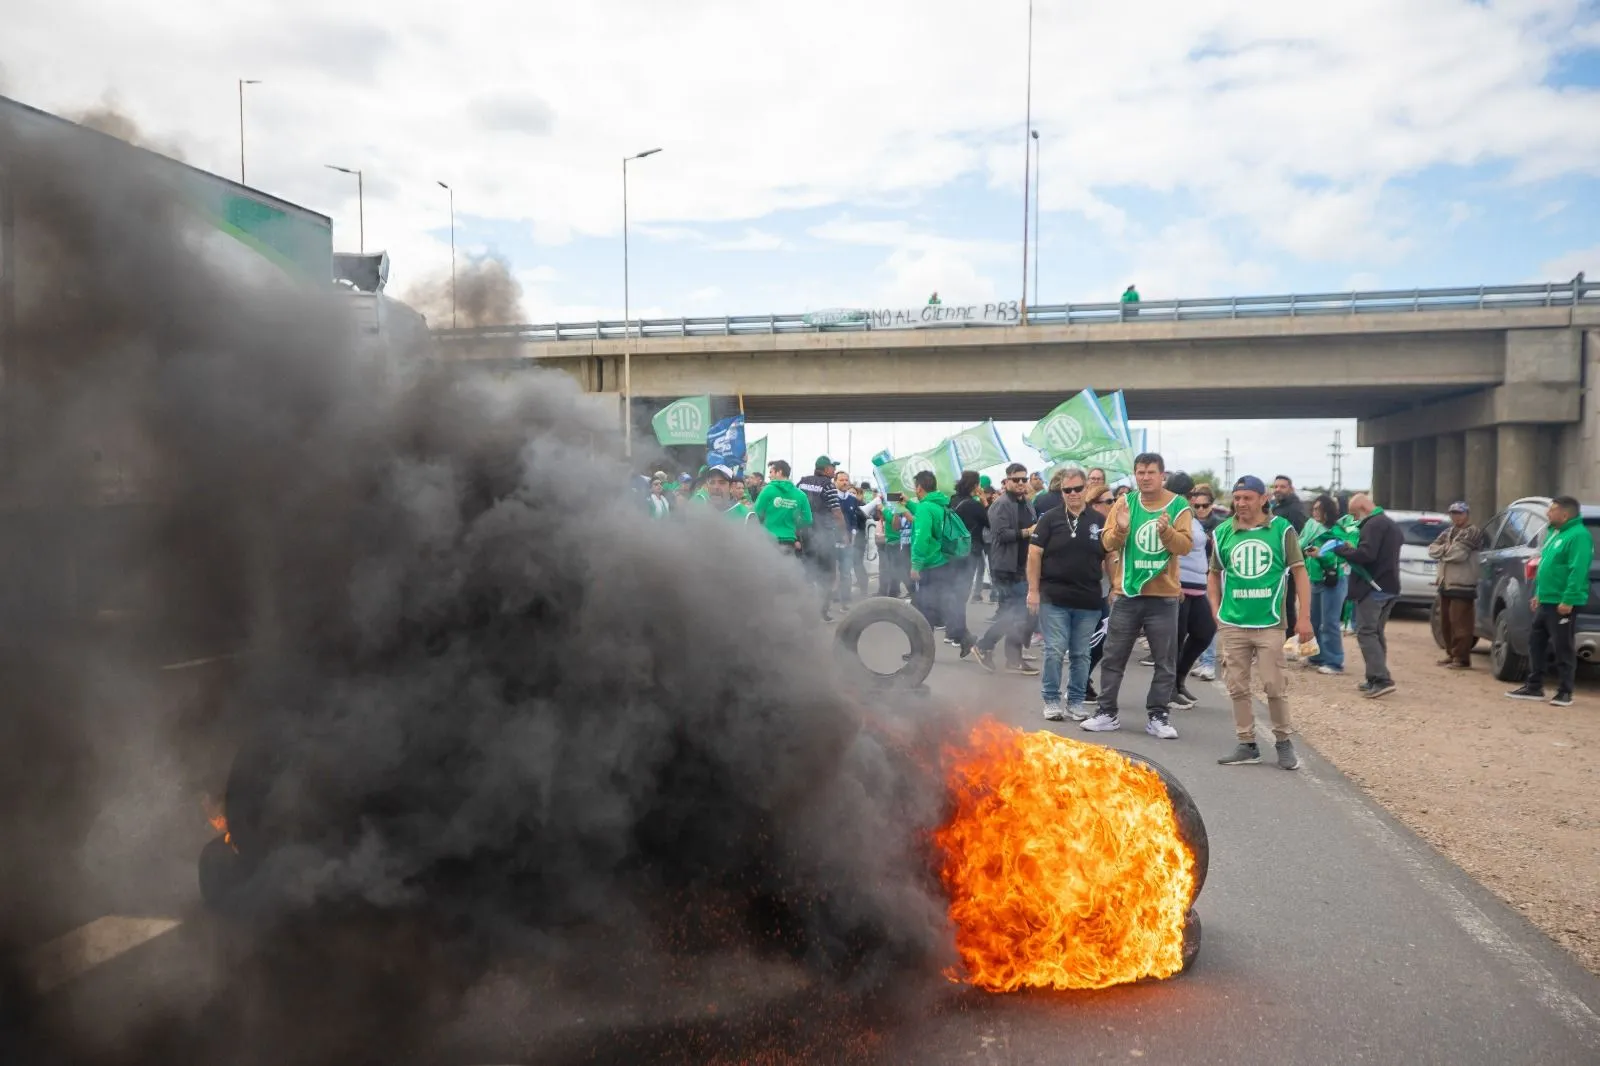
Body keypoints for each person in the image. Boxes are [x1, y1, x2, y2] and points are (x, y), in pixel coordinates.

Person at [1081, 452, 1194, 739]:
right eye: (1140, 472)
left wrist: (1167, 532)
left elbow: (1184, 547)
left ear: (1162, 475)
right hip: (1127, 593)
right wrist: (1120, 528)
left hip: (1164, 597)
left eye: (1151, 472)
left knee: (1164, 661)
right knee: (1113, 657)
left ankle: (1158, 716)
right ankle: (1106, 712)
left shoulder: (1178, 505)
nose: (1145, 477)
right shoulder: (1124, 502)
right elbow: (1107, 542)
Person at [1212, 476, 1312, 770]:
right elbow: (1213, 575)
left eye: (1247, 498)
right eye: (1238, 498)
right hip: (1233, 622)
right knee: (1237, 686)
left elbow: (1300, 573)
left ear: (1263, 499)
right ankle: (1247, 743)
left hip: (1269, 622)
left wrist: (1304, 617)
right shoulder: (1223, 533)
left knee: (1274, 685)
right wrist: (1215, 611)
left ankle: (1283, 741)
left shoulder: (1282, 531)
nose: (1241, 503)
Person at [1029, 466, 1106, 721]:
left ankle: (1075, 701)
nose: (1072, 494)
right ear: (1061, 491)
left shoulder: (1098, 521)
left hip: (1088, 600)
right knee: (1054, 650)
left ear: (1086, 489)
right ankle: (1051, 699)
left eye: (1078, 489)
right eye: (1067, 490)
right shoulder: (1049, 519)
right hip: (1054, 598)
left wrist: (1116, 586)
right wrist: (1033, 591)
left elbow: (1111, 556)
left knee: (1082, 653)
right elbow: (1034, 554)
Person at [1506, 495, 1592, 707]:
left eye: (1552, 510)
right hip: (1546, 599)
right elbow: (1546, 567)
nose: (1548, 513)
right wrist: (1538, 594)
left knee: (1563, 646)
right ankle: (1534, 686)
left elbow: (1577, 570)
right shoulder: (1555, 534)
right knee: (1536, 643)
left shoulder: (1578, 535)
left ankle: (1565, 691)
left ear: (1564, 514)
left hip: (1562, 603)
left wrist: (1568, 600)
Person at [1330, 493, 1403, 699]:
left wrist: (1342, 549)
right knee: (1376, 632)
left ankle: (1381, 679)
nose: (1354, 520)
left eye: (1354, 514)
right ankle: (1374, 676)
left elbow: (1366, 555)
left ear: (1362, 508)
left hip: (1373, 587)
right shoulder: (1389, 523)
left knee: (1366, 632)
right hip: (1390, 586)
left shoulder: (1373, 525)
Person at [975, 463, 1039, 675]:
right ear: (1007, 481)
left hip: (1023, 566)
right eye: (1016, 479)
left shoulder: (1027, 504)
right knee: (1015, 613)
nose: (1021, 483)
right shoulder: (1000, 504)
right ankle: (985, 645)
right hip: (1006, 568)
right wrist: (1027, 532)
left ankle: (1012, 657)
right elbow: (1000, 535)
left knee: (1014, 613)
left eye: (1024, 479)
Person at [908, 470, 975, 657]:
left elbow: (921, 538)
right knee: (934, 607)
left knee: (922, 609)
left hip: (930, 565)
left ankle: (924, 651)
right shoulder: (938, 505)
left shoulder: (925, 508)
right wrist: (908, 505)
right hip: (943, 563)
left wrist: (916, 564)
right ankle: (925, 649)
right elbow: (928, 515)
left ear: (919, 487)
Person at [1167, 472, 1214, 709]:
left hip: (1198, 586)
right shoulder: (1173, 514)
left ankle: (1179, 679)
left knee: (1205, 631)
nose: (1193, 499)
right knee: (1175, 639)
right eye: (1190, 494)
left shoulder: (1190, 515)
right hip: (1180, 585)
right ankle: (1168, 690)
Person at [1428, 501, 1483, 670]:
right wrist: (1447, 549)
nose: (1456, 516)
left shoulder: (1473, 532)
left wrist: (1443, 551)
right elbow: (1431, 549)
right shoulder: (1448, 531)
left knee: (1461, 623)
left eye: (1459, 513)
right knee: (1446, 622)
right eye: (1453, 513)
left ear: (1467, 514)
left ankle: (1461, 658)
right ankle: (1451, 654)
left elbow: (1459, 554)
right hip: (1446, 583)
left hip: (1463, 584)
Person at [1300, 493, 1351, 675]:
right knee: (1314, 620)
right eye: (1313, 508)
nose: (1314, 512)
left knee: (1329, 622)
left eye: (1318, 509)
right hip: (1315, 579)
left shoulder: (1336, 531)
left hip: (1333, 580)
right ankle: (1317, 656)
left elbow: (1340, 556)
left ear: (1327, 511)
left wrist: (1320, 554)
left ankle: (1334, 662)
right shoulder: (1313, 529)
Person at [797, 456, 847, 621]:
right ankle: (822, 612)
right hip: (823, 536)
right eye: (833, 468)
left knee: (806, 573)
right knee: (828, 575)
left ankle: (804, 611)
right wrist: (844, 534)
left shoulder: (802, 482)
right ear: (826, 469)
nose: (834, 471)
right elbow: (837, 513)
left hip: (802, 535)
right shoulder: (828, 486)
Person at [951, 472, 990, 632]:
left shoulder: (953, 500)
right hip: (970, 551)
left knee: (953, 589)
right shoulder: (975, 505)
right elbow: (990, 522)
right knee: (963, 591)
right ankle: (958, 630)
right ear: (974, 485)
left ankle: (951, 627)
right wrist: (985, 502)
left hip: (952, 549)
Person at [754, 460, 812, 553]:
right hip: (789, 540)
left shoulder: (768, 489)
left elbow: (756, 513)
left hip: (768, 539)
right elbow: (807, 519)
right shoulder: (801, 495)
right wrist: (792, 524)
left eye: (771, 472)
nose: (769, 476)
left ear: (779, 472)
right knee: (785, 567)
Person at [834, 470, 870, 606]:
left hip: (848, 543)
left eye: (846, 480)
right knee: (832, 573)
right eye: (841, 480)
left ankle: (845, 601)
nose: (844, 482)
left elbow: (854, 520)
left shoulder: (852, 499)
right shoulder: (832, 498)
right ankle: (829, 600)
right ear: (835, 481)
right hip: (832, 542)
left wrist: (853, 534)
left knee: (846, 572)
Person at [874, 492, 913, 598]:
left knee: (899, 570)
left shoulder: (901, 507)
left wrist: (883, 509)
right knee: (893, 569)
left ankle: (910, 591)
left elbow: (894, 522)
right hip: (890, 541)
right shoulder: (890, 506)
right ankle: (894, 592)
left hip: (898, 542)